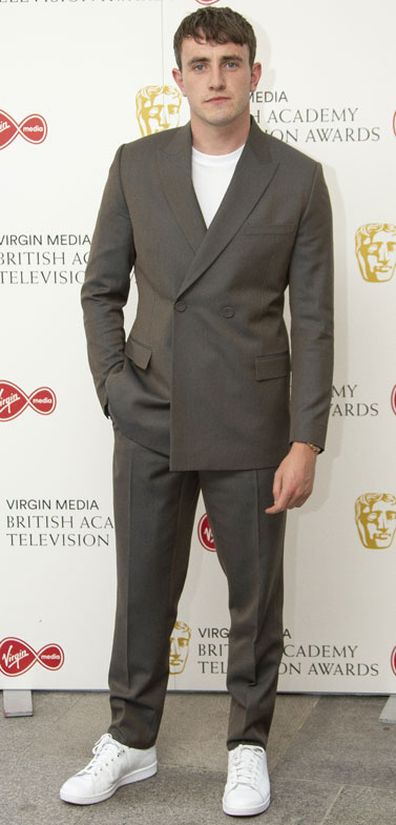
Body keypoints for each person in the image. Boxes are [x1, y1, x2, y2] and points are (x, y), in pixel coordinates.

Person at [60, 6, 333, 817]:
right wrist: (114, 385)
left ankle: (247, 745)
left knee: (255, 597)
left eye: (230, 61)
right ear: (176, 77)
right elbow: (101, 288)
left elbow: (311, 320)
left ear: (256, 72)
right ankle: (133, 739)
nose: (216, 77)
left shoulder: (297, 177)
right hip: (148, 408)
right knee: (143, 587)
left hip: (253, 421)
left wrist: (307, 437)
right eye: (200, 62)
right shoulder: (135, 164)